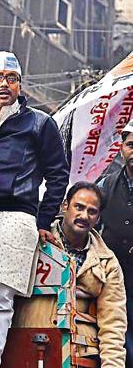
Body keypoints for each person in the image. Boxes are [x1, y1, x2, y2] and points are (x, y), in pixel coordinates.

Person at [0, 51, 70, 359]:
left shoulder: (39, 123)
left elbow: (58, 174)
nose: (4, 84)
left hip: (16, 217)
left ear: (21, 86)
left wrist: (43, 220)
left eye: (11, 79)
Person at [14, 182, 127, 367]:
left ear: (98, 217)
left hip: (79, 356)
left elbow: (113, 325)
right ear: (65, 206)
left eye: (92, 211)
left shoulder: (106, 262)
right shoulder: (34, 240)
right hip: (25, 348)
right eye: (79, 207)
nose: (84, 216)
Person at [97, 119, 133, 365]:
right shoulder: (106, 185)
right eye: (131, 145)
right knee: (119, 336)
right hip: (116, 278)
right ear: (122, 148)